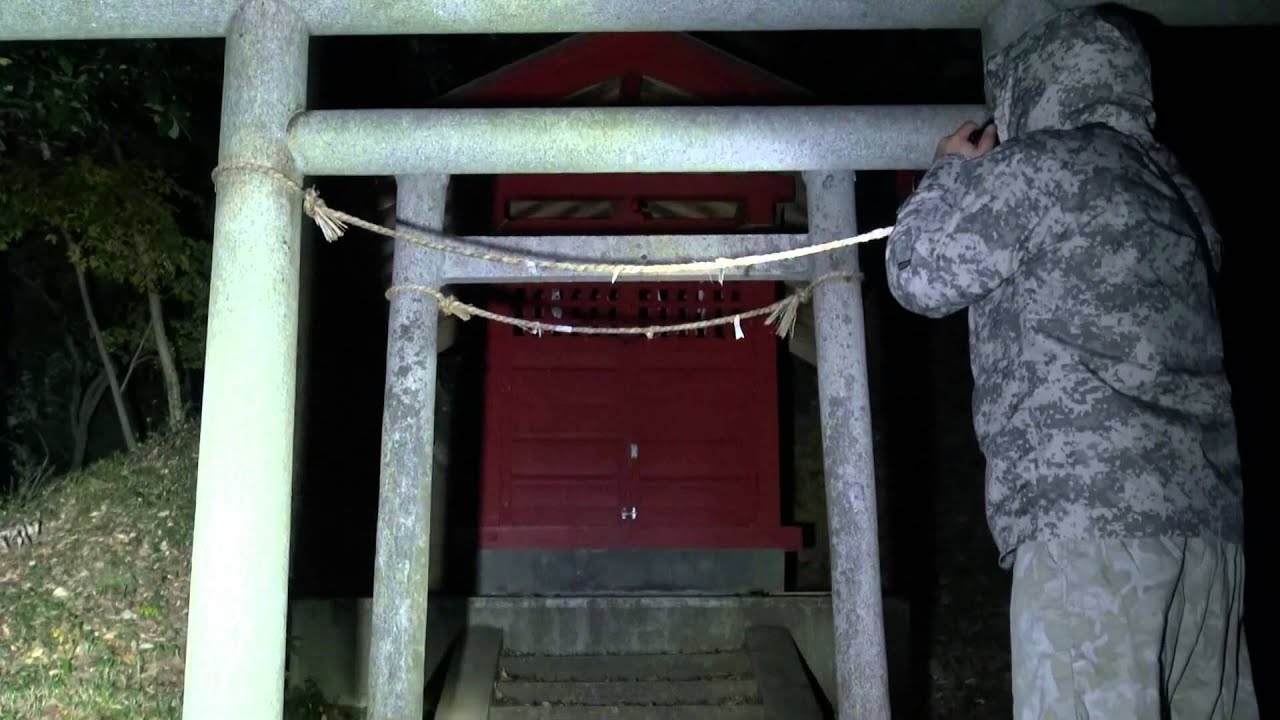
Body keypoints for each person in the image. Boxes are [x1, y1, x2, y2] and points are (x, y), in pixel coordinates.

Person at [884, 5, 1258, 718]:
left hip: (1091, 535)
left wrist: (950, 172)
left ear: (1035, 85)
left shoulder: (1046, 166)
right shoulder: (1179, 193)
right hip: (1208, 535)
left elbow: (917, 271)